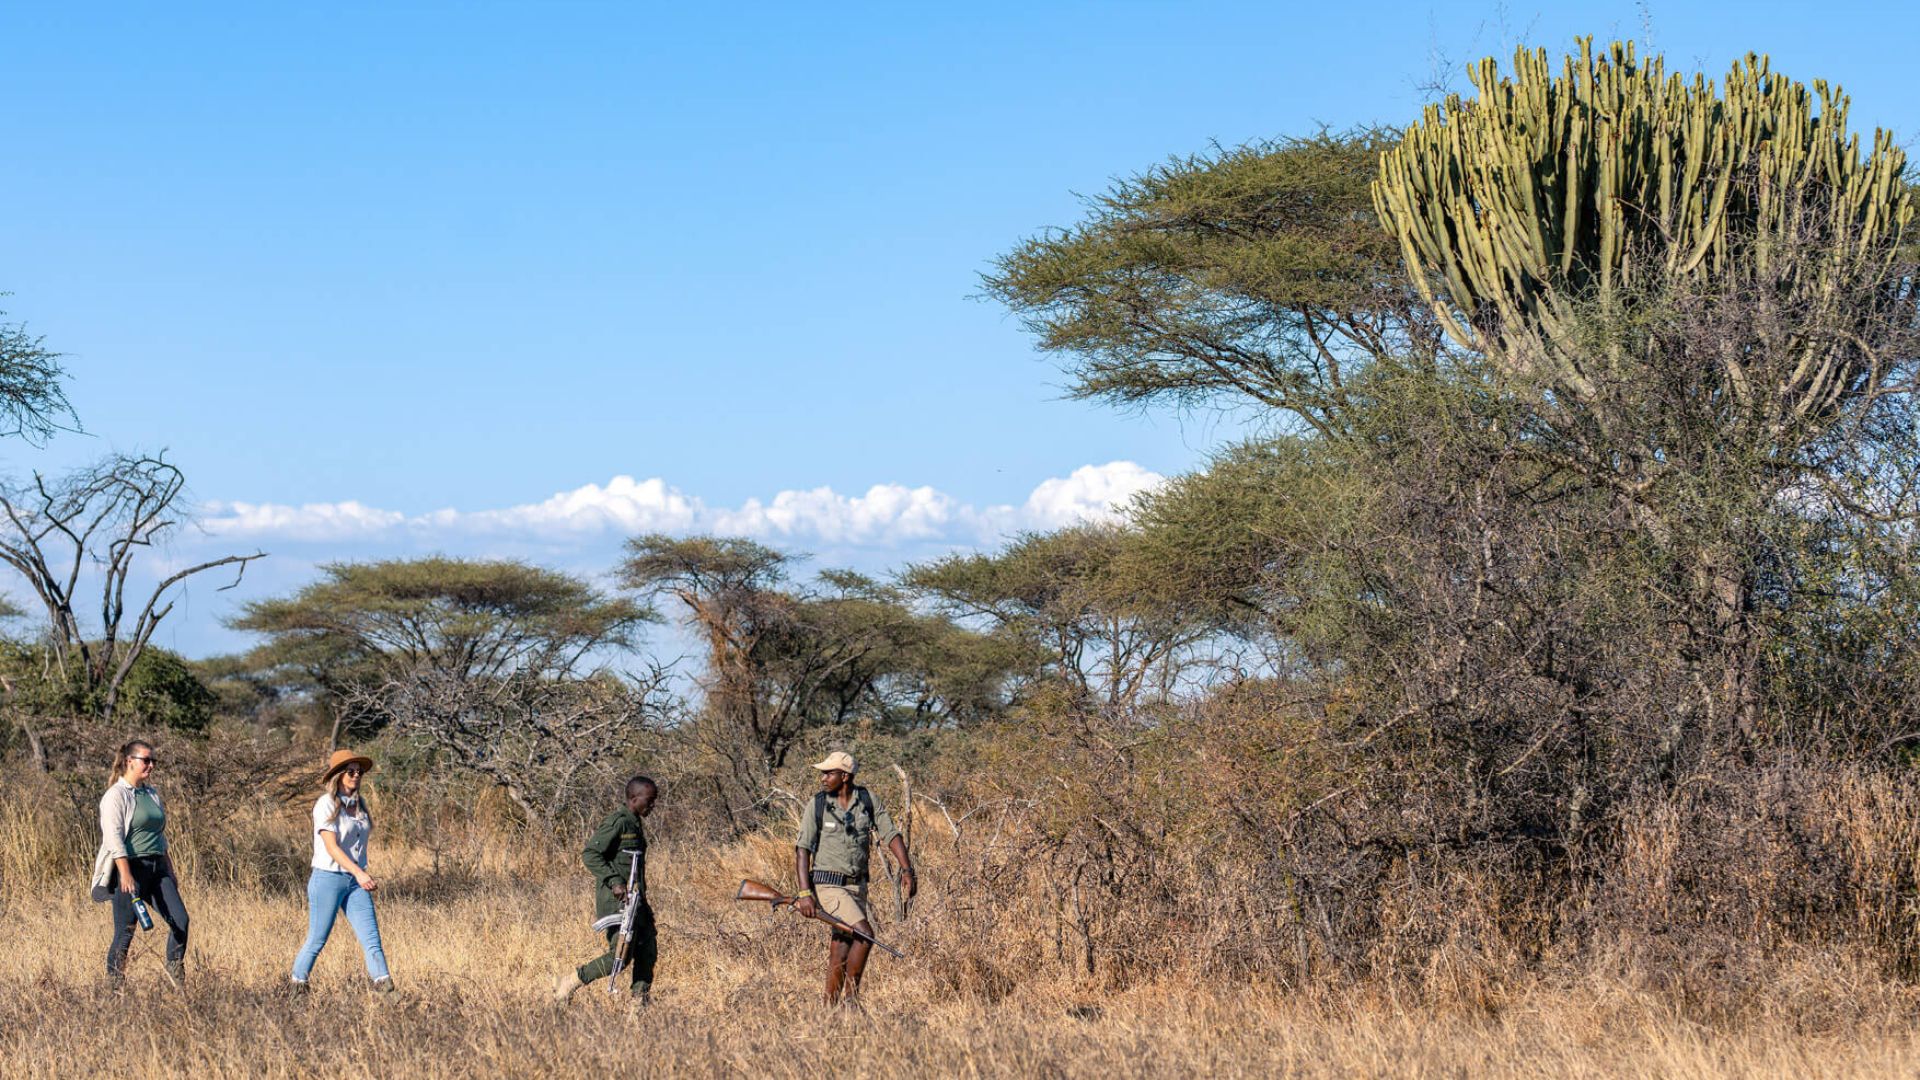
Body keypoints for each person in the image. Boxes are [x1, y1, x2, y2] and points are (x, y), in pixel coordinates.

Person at [793, 750, 915, 1005]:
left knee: (841, 948)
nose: (824, 778)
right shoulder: (816, 805)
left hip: (858, 886)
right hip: (828, 886)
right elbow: (802, 849)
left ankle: (828, 1009)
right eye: (823, 773)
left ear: (845, 776)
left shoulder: (867, 800)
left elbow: (890, 834)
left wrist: (907, 869)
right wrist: (805, 894)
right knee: (865, 933)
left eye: (829, 773)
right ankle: (851, 1000)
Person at [290, 748, 393, 994]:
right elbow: (332, 847)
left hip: (355, 881)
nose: (356, 775)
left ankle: (389, 993)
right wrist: (359, 872)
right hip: (328, 878)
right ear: (338, 775)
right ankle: (296, 989)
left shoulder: (360, 806)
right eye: (350, 771)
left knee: (372, 941)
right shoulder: (325, 804)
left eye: (359, 771)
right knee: (317, 940)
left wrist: (358, 873)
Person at [89, 738, 190, 985]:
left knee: (181, 921)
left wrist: (170, 868)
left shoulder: (151, 793)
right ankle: (115, 987)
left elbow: (159, 835)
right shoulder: (116, 795)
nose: (151, 765)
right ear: (129, 762)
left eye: (153, 760)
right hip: (131, 868)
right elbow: (113, 838)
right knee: (126, 932)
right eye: (146, 760)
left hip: (158, 868)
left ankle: (175, 979)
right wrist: (124, 873)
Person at [554, 775, 658, 1006]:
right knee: (619, 957)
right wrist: (614, 881)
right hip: (617, 901)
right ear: (633, 798)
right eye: (649, 800)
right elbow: (590, 853)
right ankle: (570, 982)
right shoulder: (618, 821)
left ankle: (638, 1005)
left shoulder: (635, 822)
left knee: (647, 949)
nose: (652, 805)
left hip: (636, 899)